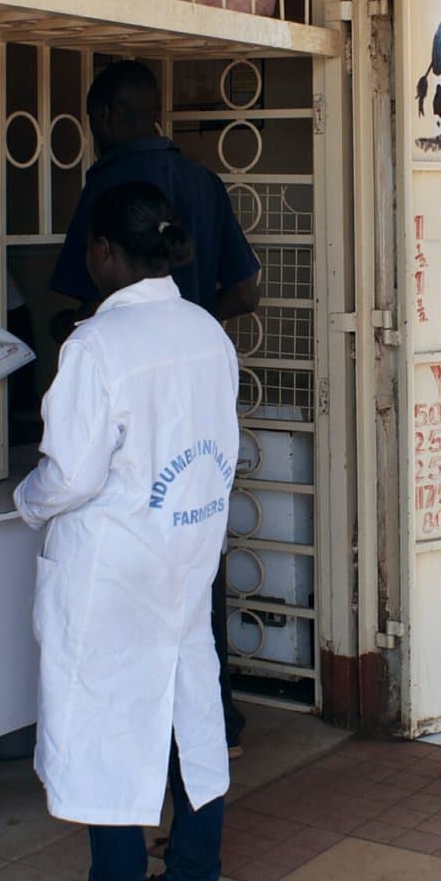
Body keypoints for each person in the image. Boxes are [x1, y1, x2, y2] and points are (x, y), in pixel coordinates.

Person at [17, 181, 240, 881]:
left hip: (114, 567)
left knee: (110, 723)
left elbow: (71, 474)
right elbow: (225, 449)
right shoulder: (206, 331)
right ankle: (191, 879)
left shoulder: (96, 347)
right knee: (191, 712)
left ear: (106, 253)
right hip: (184, 553)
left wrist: (28, 498)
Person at [52, 59, 260, 757]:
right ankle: (215, 719)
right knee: (197, 561)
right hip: (196, 397)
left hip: (131, 410)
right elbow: (248, 289)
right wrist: (190, 321)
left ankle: (143, 741)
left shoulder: (109, 187)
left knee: (132, 586)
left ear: (107, 118)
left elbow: (84, 300)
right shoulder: (202, 181)